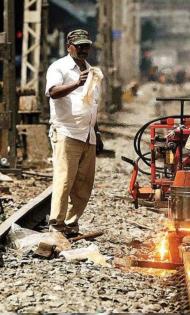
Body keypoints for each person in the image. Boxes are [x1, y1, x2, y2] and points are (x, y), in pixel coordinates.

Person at [45, 29, 104, 235]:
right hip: (66, 131)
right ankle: (56, 223)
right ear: (69, 46)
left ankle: (71, 223)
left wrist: (97, 133)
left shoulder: (91, 71)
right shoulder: (59, 67)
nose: (84, 50)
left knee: (84, 185)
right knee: (64, 180)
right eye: (80, 46)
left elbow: (92, 104)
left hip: (87, 134)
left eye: (87, 46)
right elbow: (53, 92)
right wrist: (76, 82)